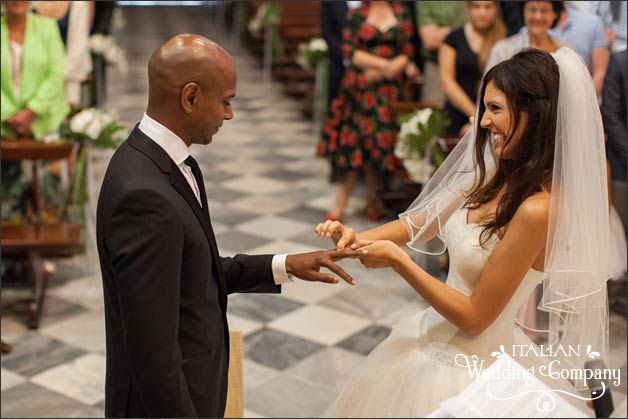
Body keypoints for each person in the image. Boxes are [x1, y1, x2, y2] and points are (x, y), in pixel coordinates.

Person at [316, 48, 610, 417]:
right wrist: (354, 237)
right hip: (428, 341)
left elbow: (475, 318)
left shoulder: (539, 208)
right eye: (484, 108)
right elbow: (416, 223)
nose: (483, 122)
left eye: (495, 109)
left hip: (474, 373)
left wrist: (399, 263)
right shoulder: (497, 174)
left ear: (534, 114)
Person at [96, 34, 362, 418]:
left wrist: (285, 265)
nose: (229, 114)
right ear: (190, 97)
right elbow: (152, 355)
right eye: (226, 101)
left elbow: (191, 272)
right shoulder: (144, 195)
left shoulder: (167, 162)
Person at [316, 1, 418, 222]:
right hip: (359, 89)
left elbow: (408, 51)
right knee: (352, 146)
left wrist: (386, 71)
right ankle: (340, 205)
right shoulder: (356, 14)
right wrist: (384, 65)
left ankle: (373, 201)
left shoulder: (401, 12)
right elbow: (350, 52)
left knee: (378, 147)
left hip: (388, 91)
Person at [0, 0, 69, 139]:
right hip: (4, 124)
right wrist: (8, 114)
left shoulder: (47, 27)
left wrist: (31, 111)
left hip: (45, 121)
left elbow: (56, 73)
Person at [439, 1, 506, 137]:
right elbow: (447, 82)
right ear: (468, 8)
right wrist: (475, 116)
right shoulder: (453, 38)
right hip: (457, 114)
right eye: (476, 7)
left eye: (487, 7)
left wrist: (486, 116)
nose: (482, 12)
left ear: (496, 9)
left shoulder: (504, 39)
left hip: (493, 115)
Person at [485, 1, 569, 72]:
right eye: (532, 10)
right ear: (523, 12)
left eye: (544, 10)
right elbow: (487, 88)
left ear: (555, 14)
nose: (538, 16)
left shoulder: (566, 50)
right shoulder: (502, 50)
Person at [550, 1, 609, 96]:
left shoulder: (592, 23)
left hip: (582, 97)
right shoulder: (527, 33)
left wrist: (585, 104)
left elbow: (600, 72)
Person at [415, 0, 466, 103]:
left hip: (470, 64)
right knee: (433, 114)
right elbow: (430, 40)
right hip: (436, 65)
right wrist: (463, 30)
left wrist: (443, 31)